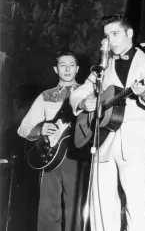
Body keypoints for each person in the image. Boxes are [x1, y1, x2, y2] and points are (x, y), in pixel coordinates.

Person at [69, 14, 145, 231]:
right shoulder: (102, 67)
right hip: (102, 140)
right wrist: (84, 101)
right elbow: (77, 94)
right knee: (100, 205)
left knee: (136, 202)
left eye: (115, 34)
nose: (110, 41)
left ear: (129, 33)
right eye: (107, 35)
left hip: (136, 143)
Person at [17, 51, 84, 231]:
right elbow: (23, 128)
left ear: (78, 68)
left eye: (71, 65)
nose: (67, 69)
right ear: (56, 69)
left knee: (76, 208)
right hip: (50, 156)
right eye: (63, 65)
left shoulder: (88, 93)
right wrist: (40, 129)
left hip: (78, 155)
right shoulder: (45, 96)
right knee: (48, 208)